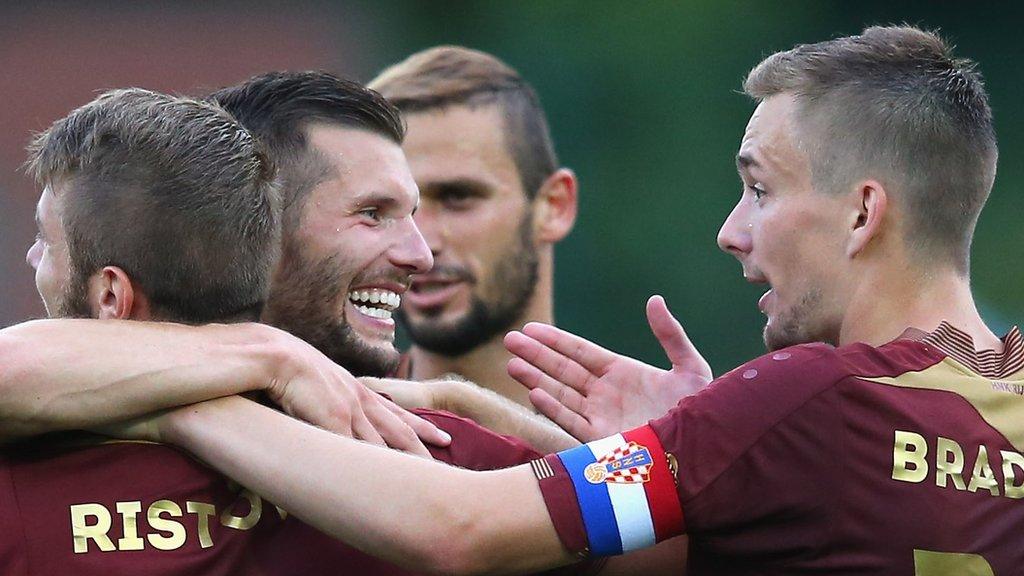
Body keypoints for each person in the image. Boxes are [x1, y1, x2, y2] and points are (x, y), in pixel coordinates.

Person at [103, 26, 1022, 575]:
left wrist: (197, 395)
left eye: (760, 189)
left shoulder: (802, 403)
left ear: (864, 211)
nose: (732, 232)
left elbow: (460, 531)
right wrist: (692, 449)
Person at [0, 80, 547, 575]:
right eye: (372, 213)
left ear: (113, 296)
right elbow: (619, 508)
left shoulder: (21, 486)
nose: (419, 254)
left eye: (46, 242)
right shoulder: (433, 449)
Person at [368, 46, 578, 408]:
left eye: (457, 197)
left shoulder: (642, 447)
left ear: (553, 207)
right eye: (386, 208)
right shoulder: (327, 429)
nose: (420, 245)